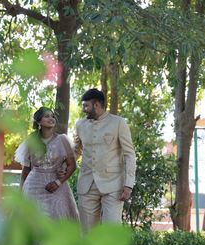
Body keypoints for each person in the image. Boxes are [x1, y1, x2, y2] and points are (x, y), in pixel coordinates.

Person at [74, 88, 136, 232]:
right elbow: (77, 150)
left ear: (96, 105)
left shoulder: (118, 123)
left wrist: (128, 184)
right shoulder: (80, 125)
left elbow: (129, 154)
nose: (83, 109)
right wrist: (63, 164)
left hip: (114, 185)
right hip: (87, 185)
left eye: (86, 105)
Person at [14, 107, 79, 220]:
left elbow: (72, 165)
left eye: (52, 116)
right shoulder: (31, 141)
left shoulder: (62, 140)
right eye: (47, 116)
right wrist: (20, 193)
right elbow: (26, 170)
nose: (51, 118)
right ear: (39, 121)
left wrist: (58, 182)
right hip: (33, 186)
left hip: (56, 186)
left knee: (58, 219)